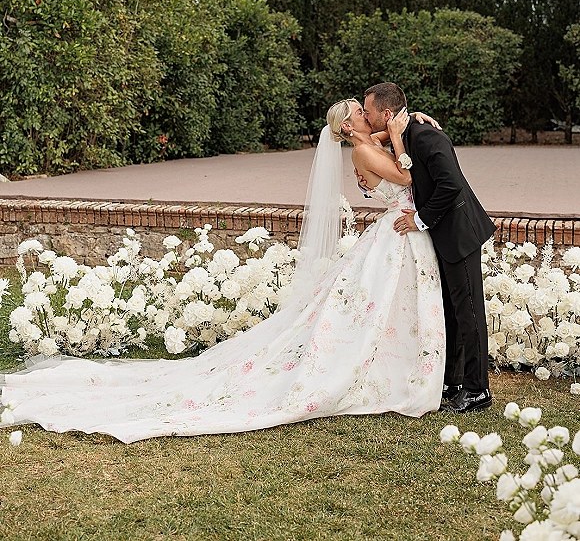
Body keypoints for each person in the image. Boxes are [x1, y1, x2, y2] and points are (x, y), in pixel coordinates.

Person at [0, 100, 444, 443]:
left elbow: (392, 131)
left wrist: (408, 121)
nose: (367, 114)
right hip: (395, 230)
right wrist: (403, 139)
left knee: (380, 306)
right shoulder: (367, 150)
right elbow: (407, 178)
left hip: (396, 233)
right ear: (349, 128)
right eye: (358, 113)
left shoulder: (370, 140)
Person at [363, 83, 495, 413]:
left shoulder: (426, 136)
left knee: (469, 313)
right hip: (441, 234)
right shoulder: (404, 132)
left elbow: (450, 185)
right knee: (452, 311)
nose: (366, 116)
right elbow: (371, 143)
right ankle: (452, 382)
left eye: (369, 111)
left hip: (458, 233)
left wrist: (419, 219)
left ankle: (478, 390)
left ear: (387, 114)